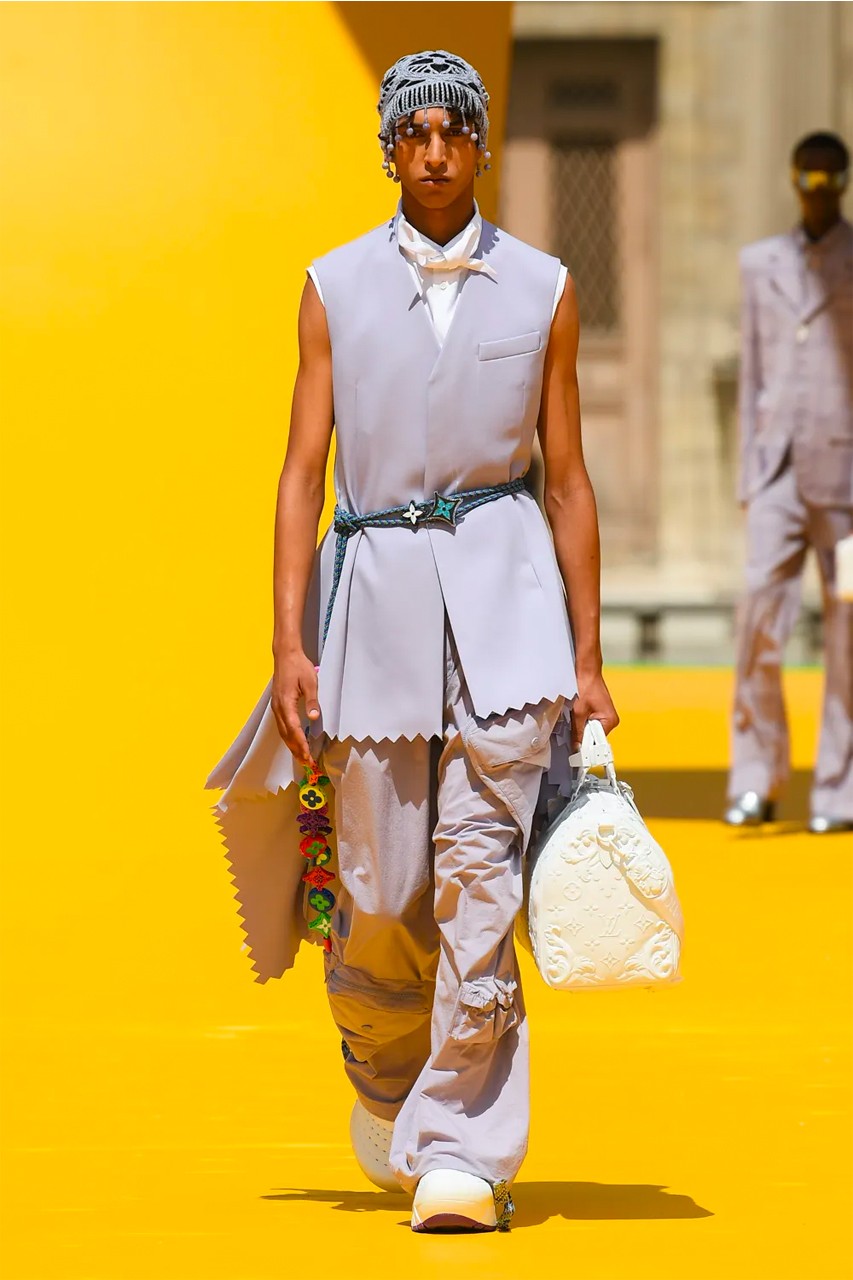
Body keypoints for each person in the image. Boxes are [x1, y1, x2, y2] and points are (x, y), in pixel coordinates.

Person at [205, 49, 618, 1232]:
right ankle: (391, 1073)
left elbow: (571, 481)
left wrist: (587, 660)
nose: (434, 149)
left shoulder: (543, 286)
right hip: (372, 607)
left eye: (455, 129)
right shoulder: (331, 286)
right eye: (413, 131)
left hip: (508, 607)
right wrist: (289, 643)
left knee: (477, 878)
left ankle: (467, 1150)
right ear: (388, 149)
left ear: (482, 147)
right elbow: (300, 473)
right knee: (383, 887)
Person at [725, 131, 852, 833]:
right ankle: (755, 774)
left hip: (847, 480)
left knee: (848, 633)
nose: (818, 190)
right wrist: (748, 469)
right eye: (808, 178)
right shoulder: (758, 265)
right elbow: (750, 371)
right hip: (774, 473)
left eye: (830, 179)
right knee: (756, 626)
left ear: (843, 183)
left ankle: (838, 788)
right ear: (792, 179)